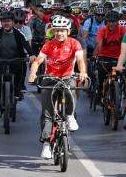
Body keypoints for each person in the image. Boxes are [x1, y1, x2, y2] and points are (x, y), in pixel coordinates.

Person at [28, 16, 86, 160]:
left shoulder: (75, 43)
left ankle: (70, 116)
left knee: (72, 88)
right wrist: (33, 72)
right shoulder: (48, 45)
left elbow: (80, 60)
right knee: (47, 111)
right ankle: (46, 145)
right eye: (56, 31)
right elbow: (38, 61)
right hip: (50, 78)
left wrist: (83, 72)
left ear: (68, 31)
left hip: (67, 77)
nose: (59, 33)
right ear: (53, 31)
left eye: (62, 31)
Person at [0, 11, 36, 118]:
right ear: (1, 22)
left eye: (9, 21)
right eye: (4, 21)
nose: (7, 24)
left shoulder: (19, 33)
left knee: (21, 67)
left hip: (16, 59)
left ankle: (17, 89)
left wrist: (32, 54)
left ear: (12, 22)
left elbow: (26, 45)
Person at [91, 11, 126, 95]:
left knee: (122, 74)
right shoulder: (102, 30)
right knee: (101, 72)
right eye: (109, 21)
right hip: (104, 56)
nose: (111, 24)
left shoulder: (122, 29)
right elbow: (98, 44)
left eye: (113, 22)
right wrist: (94, 56)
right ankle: (100, 88)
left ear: (117, 21)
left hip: (119, 57)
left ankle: (122, 90)